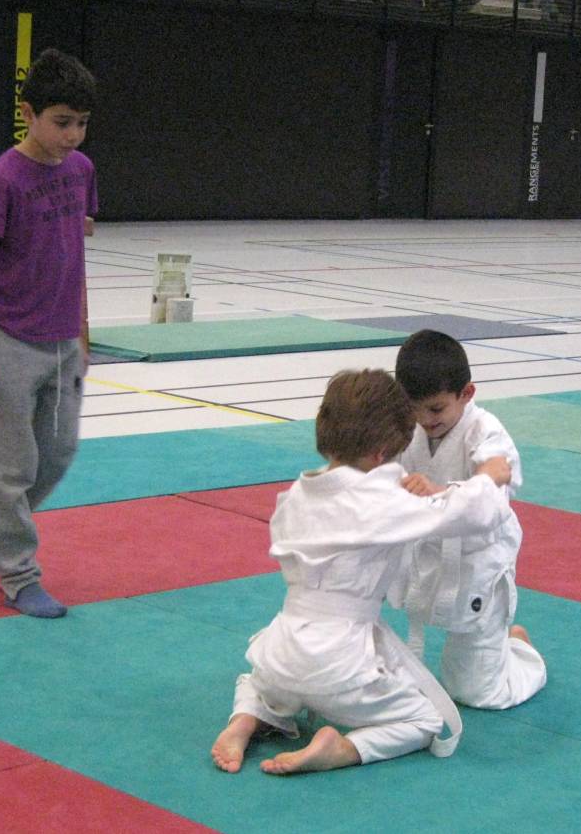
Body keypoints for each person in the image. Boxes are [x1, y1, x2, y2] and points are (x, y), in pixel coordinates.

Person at [211, 369, 514, 775]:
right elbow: (464, 513)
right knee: (424, 719)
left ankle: (246, 719)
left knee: (266, 682)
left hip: (282, 647)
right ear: (382, 453)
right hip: (340, 665)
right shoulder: (380, 501)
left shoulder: (294, 496)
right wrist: (487, 479)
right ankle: (344, 748)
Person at [0, 48, 98, 618]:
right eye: (61, 122)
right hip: (7, 339)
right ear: (28, 114)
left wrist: (82, 331)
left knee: (57, 454)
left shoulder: (80, 171)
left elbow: (73, 253)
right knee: (12, 469)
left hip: (61, 342)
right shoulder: (3, 180)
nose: (72, 136)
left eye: (82, 123)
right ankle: (18, 574)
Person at [394, 330, 547, 709]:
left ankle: (520, 649)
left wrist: (440, 492)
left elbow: (491, 498)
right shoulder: (408, 429)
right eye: (414, 408)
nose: (424, 420)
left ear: (467, 393)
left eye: (435, 409)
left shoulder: (486, 432)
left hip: (480, 559)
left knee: (475, 691)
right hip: (427, 552)